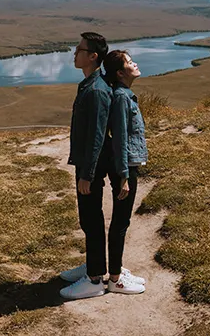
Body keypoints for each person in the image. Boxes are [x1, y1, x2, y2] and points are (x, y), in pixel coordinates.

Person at [59, 31, 114, 300]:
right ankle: (94, 265)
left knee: (91, 220)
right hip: (85, 166)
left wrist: (88, 175)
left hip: (89, 168)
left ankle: (94, 279)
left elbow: (96, 138)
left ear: (93, 56)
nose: (75, 53)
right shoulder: (90, 85)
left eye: (80, 50)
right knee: (87, 219)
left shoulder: (95, 90)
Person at [101, 49, 148, 294]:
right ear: (120, 73)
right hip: (125, 166)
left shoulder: (124, 95)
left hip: (127, 164)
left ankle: (116, 268)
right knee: (121, 221)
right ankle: (115, 278)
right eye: (130, 62)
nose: (135, 64)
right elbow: (119, 138)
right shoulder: (121, 98)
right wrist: (124, 176)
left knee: (123, 220)